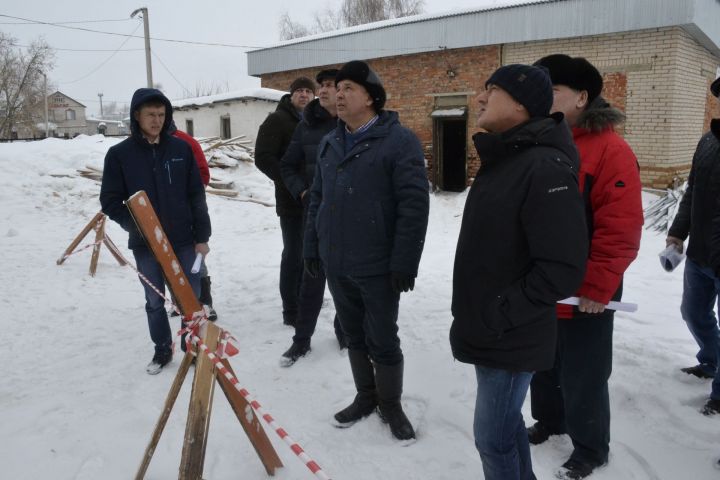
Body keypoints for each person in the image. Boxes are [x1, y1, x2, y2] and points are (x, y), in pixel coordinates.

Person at [449, 64, 588, 480]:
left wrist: (498, 313)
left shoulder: (543, 167)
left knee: (493, 438)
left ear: (522, 103)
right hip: (492, 326)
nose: (479, 98)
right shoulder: (508, 158)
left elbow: (561, 268)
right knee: (505, 429)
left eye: (490, 90)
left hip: (510, 333)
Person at [526, 54, 644, 479]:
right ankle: (550, 420)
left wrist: (598, 286)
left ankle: (591, 448)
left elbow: (621, 227)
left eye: (551, 89)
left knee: (584, 372)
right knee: (544, 361)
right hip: (543, 283)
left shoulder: (610, 150)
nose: (541, 97)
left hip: (587, 290)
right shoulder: (540, 140)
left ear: (581, 97)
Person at [304, 60, 429, 440]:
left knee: (383, 339)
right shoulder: (330, 141)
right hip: (337, 260)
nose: (338, 94)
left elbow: (413, 205)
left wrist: (405, 260)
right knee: (354, 336)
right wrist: (312, 247)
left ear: (372, 98)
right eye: (336, 88)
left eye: (348, 89)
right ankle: (365, 396)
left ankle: (390, 404)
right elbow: (318, 201)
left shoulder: (399, 141)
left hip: (377, 265)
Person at [100, 88, 211, 375]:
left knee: (191, 296)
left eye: (161, 115)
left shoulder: (181, 150)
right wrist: (138, 226)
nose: (156, 120)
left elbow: (196, 194)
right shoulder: (119, 155)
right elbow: (110, 200)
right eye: (150, 114)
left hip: (184, 239)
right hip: (145, 244)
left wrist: (203, 237)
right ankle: (162, 349)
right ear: (136, 116)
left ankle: (192, 346)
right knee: (154, 300)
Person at [279, 68, 345, 366]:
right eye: (324, 86)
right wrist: (303, 192)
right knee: (311, 280)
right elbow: (287, 166)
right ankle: (301, 340)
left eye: (334, 85)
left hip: (348, 217)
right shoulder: (306, 125)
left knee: (346, 279)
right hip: (315, 215)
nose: (328, 90)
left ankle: (345, 333)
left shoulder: (354, 123)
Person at [668, 76, 720, 415]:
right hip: (701, 254)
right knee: (693, 312)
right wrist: (677, 232)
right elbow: (693, 192)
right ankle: (711, 361)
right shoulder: (708, 142)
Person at [255, 77, 316, 326]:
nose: (304, 95)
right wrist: (290, 183)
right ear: (291, 96)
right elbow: (263, 157)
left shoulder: (315, 120)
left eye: (307, 91)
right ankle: (290, 308)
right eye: (299, 91)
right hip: (291, 200)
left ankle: (305, 296)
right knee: (293, 253)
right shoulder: (277, 120)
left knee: (310, 251)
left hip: (314, 199)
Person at [168, 120, 218, 321]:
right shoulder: (145, 144)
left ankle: (205, 302)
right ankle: (179, 302)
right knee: (167, 258)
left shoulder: (186, 142)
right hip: (157, 213)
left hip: (186, 211)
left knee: (195, 255)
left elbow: (203, 174)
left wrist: (187, 197)